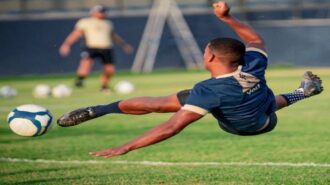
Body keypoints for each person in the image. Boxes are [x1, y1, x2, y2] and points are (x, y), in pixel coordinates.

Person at [57, 1, 323, 158]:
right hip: (261, 111)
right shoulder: (254, 62)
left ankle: (104, 108)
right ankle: (98, 110)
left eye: (206, 49)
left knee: (166, 103)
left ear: (210, 58)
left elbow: (171, 127)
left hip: (245, 127)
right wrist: (226, 17)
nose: (203, 51)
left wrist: (124, 147)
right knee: (255, 96)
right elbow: (254, 40)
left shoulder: (208, 90)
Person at [59, 5, 133, 92]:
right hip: (91, 47)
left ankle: (104, 86)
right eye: (99, 12)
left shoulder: (108, 23)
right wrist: (66, 44)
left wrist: (124, 44)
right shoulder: (85, 22)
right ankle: (80, 80)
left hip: (106, 48)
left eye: (103, 12)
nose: (102, 14)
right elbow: (75, 34)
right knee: (86, 65)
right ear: (93, 13)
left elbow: (113, 36)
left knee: (110, 69)